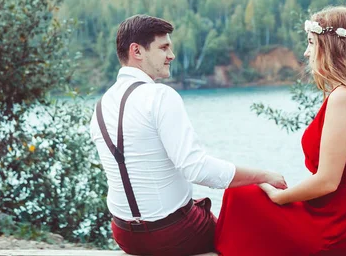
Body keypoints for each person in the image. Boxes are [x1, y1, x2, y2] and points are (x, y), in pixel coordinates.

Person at [90, 14, 287, 256]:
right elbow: (196, 169)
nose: (171, 55)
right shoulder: (160, 96)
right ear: (137, 51)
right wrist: (263, 175)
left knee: (197, 205)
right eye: (163, 47)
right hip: (171, 233)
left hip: (123, 234)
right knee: (245, 221)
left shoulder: (101, 105)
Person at [215, 6, 346, 256]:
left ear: (332, 48)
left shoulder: (343, 98)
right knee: (249, 191)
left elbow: (327, 181)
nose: (306, 51)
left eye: (312, 43)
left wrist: (280, 197)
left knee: (239, 194)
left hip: (341, 225)